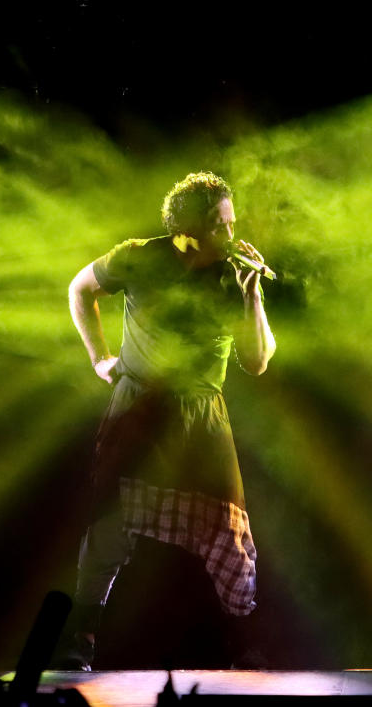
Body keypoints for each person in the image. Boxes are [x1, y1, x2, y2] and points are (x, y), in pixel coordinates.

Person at [64, 171, 276, 669]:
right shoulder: (140, 255)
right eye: (220, 226)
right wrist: (100, 358)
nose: (231, 235)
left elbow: (258, 359)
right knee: (109, 527)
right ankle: (79, 640)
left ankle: (243, 646)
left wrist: (252, 295)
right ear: (187, 230)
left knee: (227, 531)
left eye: (231, 223)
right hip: (138, 409)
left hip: (201, 414)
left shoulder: (231, 275)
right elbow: (79, 289)